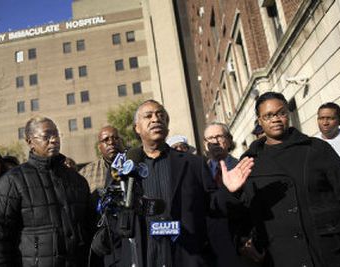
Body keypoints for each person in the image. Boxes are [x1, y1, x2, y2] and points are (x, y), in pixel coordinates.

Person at [95, 99, 253, 267]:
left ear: (167, 125)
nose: (155, 119)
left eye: (160, 115)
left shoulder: (193, 164)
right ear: (137, 128)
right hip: (141, 257)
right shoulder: (124, 167)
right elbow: (113, 219)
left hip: (185, 256)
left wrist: (228, 191)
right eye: (148, 116)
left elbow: (213, 210)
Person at [235, 92, 340, 266]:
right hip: (280, 256)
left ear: (288, 114)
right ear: (259, 121)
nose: (276, 119)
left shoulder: (317, 148)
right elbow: (246, 212)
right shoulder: (250, 162)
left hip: (327, 251)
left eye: (281, 113)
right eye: (268, 116)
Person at [0, 116, 94, 266]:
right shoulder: (13, 181)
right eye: (46, 136)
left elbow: (89, 228)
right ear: (30, 142)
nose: (54, 140)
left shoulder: (77, 180)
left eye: (56, 135)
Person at [203, 122, 244, 267]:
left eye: (219, 136)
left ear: (228, 140)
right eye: (210, 138)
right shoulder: (199, 173)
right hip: (212, 249)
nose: (214, 141)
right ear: (205, 144)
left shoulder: (241, 168)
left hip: (241, 246)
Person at [80, 125, 124, 194]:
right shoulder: (86, 173)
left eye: (115, 138)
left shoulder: (134, 164)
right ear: (99, 147)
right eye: (106, 140)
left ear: (121, 142)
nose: (111, 142)